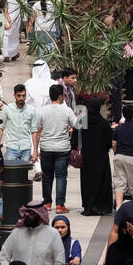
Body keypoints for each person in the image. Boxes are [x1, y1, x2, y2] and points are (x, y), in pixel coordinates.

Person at [37, 82, 77, 212]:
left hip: (46, 148)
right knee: (61, 177)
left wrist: (35, 149)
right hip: (62, 148)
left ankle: (47, 203)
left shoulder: (42, 111)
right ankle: (60, 205)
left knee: (47, 177)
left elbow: (38, 130)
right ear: (60, 96)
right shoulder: (67, 110)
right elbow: (77, 125)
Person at [80, 96, 114, 216]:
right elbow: (109, 142)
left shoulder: (82, 122)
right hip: (101, 157)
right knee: (102, 181)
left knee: (88, 182)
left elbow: (75, 140)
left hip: (86, 158)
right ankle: (101, 206)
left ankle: (89, 206)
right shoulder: (104, 124)